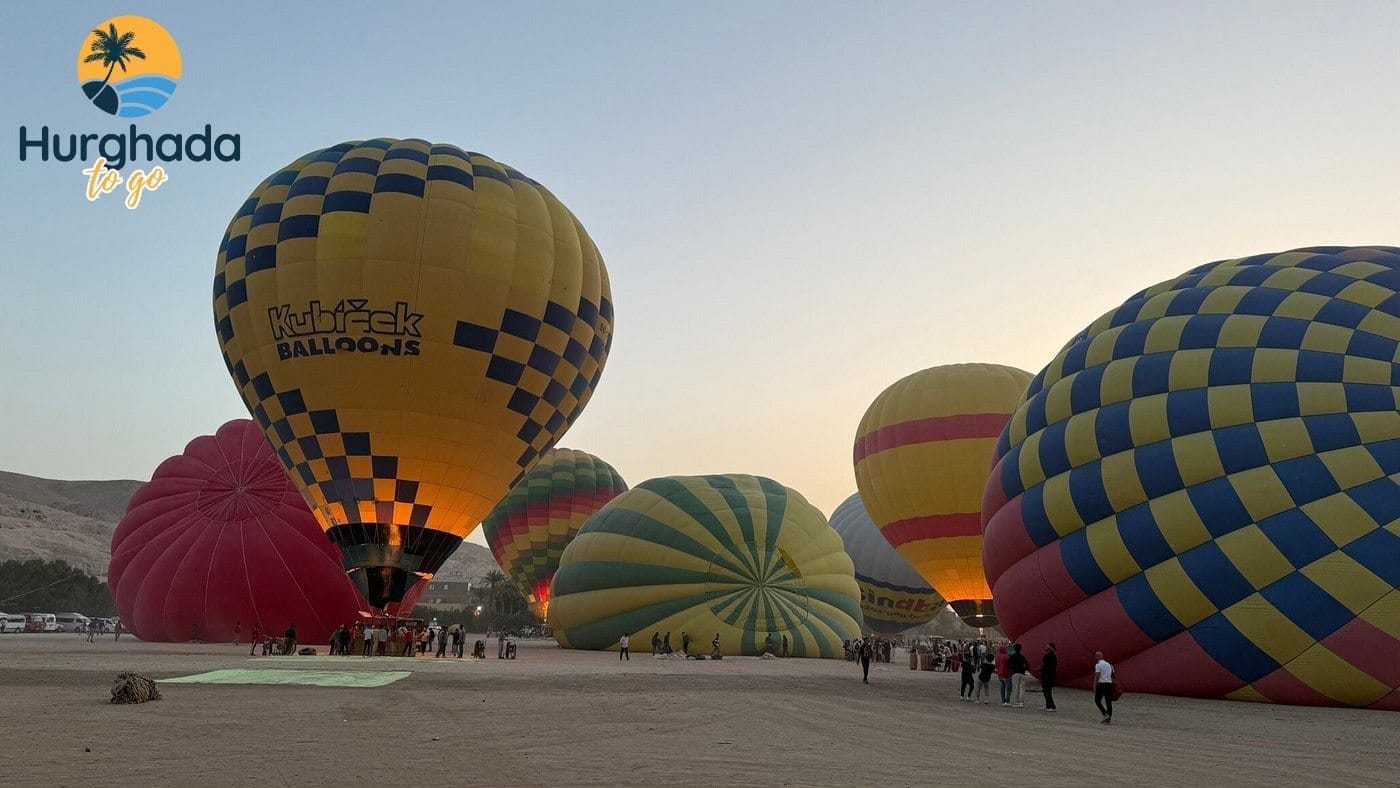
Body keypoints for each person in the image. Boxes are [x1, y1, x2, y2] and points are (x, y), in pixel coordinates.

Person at [1093, 651, 1115, 724]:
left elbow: (1097, 675)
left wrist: (1094, 686)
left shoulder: (1098, 665)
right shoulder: (1109, 665)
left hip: (1101, 684)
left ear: (1097, 657)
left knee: (1097, 700)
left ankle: (1105, 714)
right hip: (1109, 684)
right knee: (1108, 702)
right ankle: (1109, 718)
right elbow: (1113, 675)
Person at [1008, 643, 1030, 708]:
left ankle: (1016, 702)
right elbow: (1028, 666)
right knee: (1022, 688)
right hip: (1022, 673)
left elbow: (1009, 664)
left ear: (1014, 649)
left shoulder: (1012, 656)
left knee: (1015, 688)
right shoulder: (1023, 657)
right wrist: (1023, 668)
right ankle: (1021, 703)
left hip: (1015, 673)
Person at [1041, 642, 1058, 711]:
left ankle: (1051, 706)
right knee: (1048, 691)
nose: (1046, 647)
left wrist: (1040, 670)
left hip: (1047, 676)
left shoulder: (1047, 656)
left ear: (1049, 647)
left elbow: (1045, 665)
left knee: (1047, 691)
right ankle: (1048, 705)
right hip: (1051, 676)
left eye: (1047, 646)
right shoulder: (1054, 655)